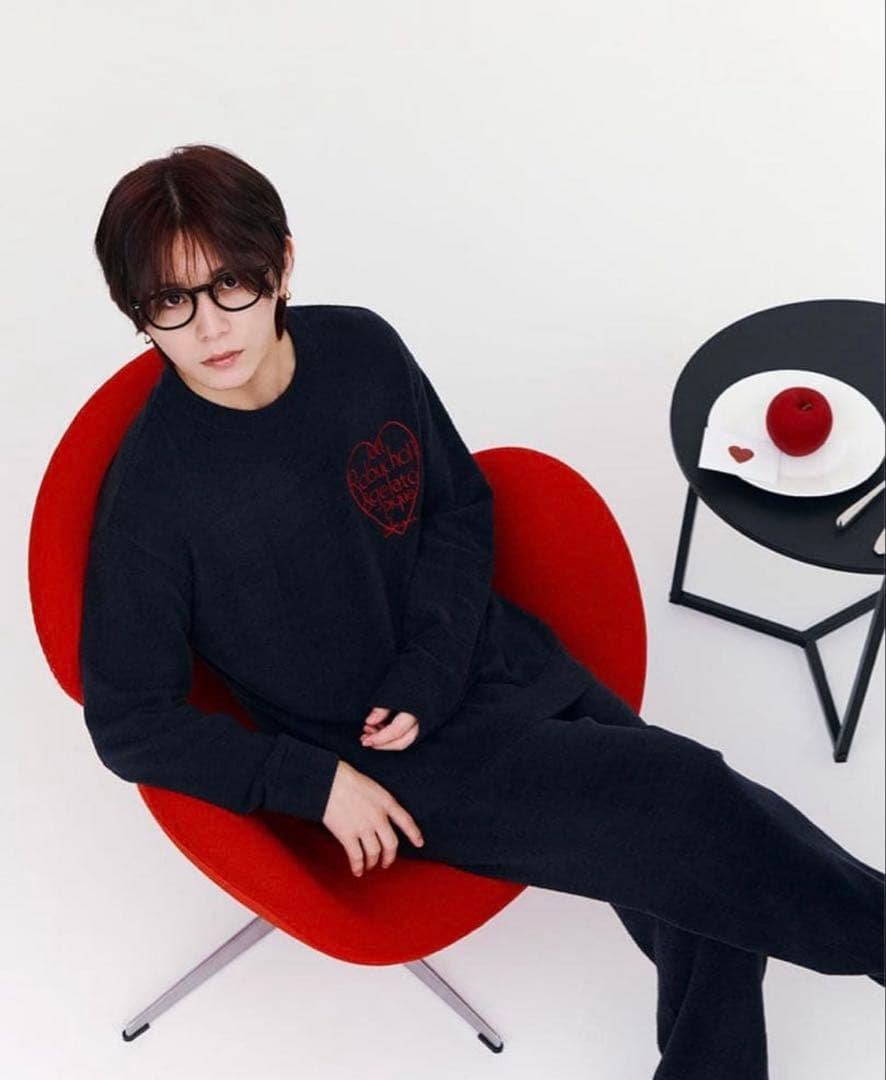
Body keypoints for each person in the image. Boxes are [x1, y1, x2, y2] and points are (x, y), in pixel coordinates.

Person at [82, 143, 885, 1080]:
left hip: (484, 655)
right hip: (391, 761)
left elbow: (457, 505)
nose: (209, 325)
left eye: (231, 283)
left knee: (699, 876)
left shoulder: (363, 350)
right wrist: (314, 781)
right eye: (170, 302)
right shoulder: (154, 501)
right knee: (691, 800)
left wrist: (432, 663)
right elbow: (129, 720)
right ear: (137, 313)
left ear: (283, 264)